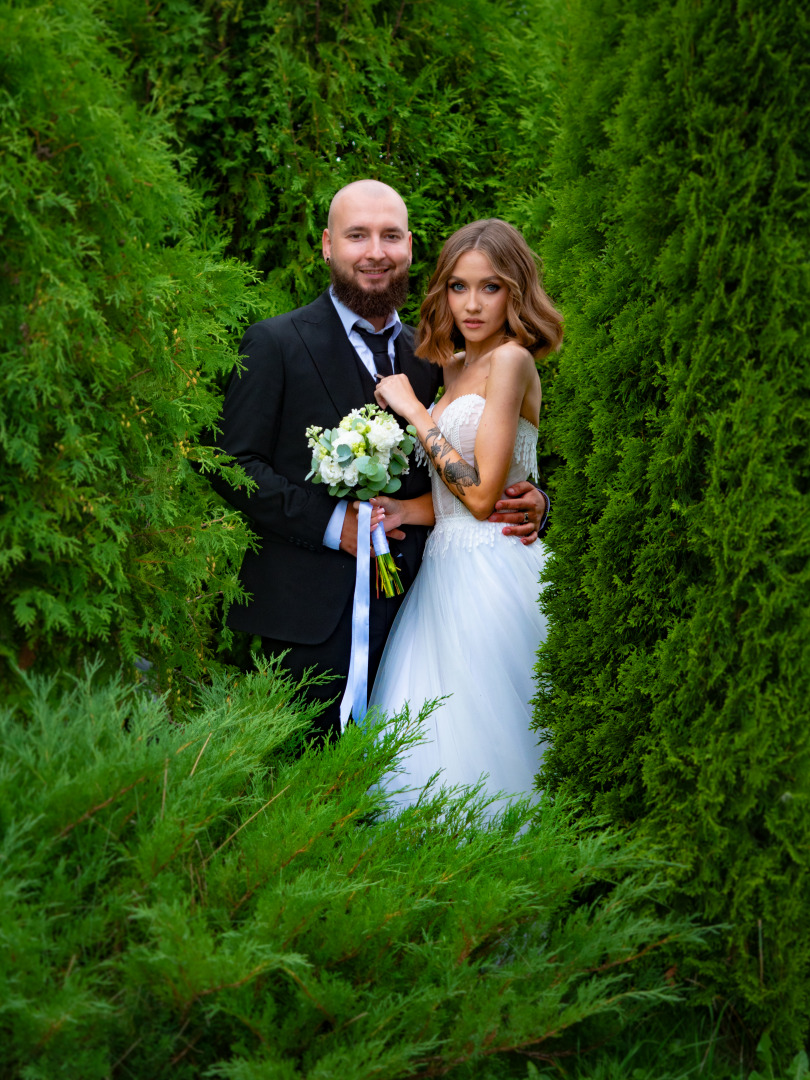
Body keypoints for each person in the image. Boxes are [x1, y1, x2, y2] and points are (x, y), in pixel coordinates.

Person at [211, 182, 549, 741]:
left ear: (410, 248)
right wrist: (330, 525)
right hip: (308, 624)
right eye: (357, 235)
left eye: (390, 235)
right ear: (326, 245)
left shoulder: (436, 359)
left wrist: (533, 499)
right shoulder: (276, 343)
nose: (375, 251)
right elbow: (233, 464)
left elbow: (485, 459)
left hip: (428, 611)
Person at [369, 218, 563, 810]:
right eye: (458, 287)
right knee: (433, 741)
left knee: (493, 745)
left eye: (490, 287)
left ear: (516, 292)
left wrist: (413, 411)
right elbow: (456, 501)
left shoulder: (511, 362)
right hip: (444, 576)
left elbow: (480, 498)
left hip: (495, 573)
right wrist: (405, 506)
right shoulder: (451, 369)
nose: (472, 304)